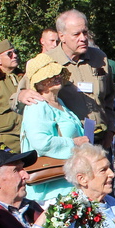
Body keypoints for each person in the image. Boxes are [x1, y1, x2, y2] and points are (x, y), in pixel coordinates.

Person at [17, 10, 115, 150]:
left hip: (102, 139)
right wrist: (21, 95)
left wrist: (111, 131)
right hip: (72, 145)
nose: (83, 38)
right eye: (76, 34)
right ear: (62, 36)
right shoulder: (48, 61)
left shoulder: (99, 58)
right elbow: (17, 97)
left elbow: (109, 98)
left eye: (85, 32)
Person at [19, 53, 86, 203]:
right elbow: (41, 143)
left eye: (57, 73)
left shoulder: (60, 102)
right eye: (50, 75)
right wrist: (74, 143)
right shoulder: (37, 106)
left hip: (68, 183)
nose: (57, 76)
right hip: (51, 191)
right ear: (40, 83)